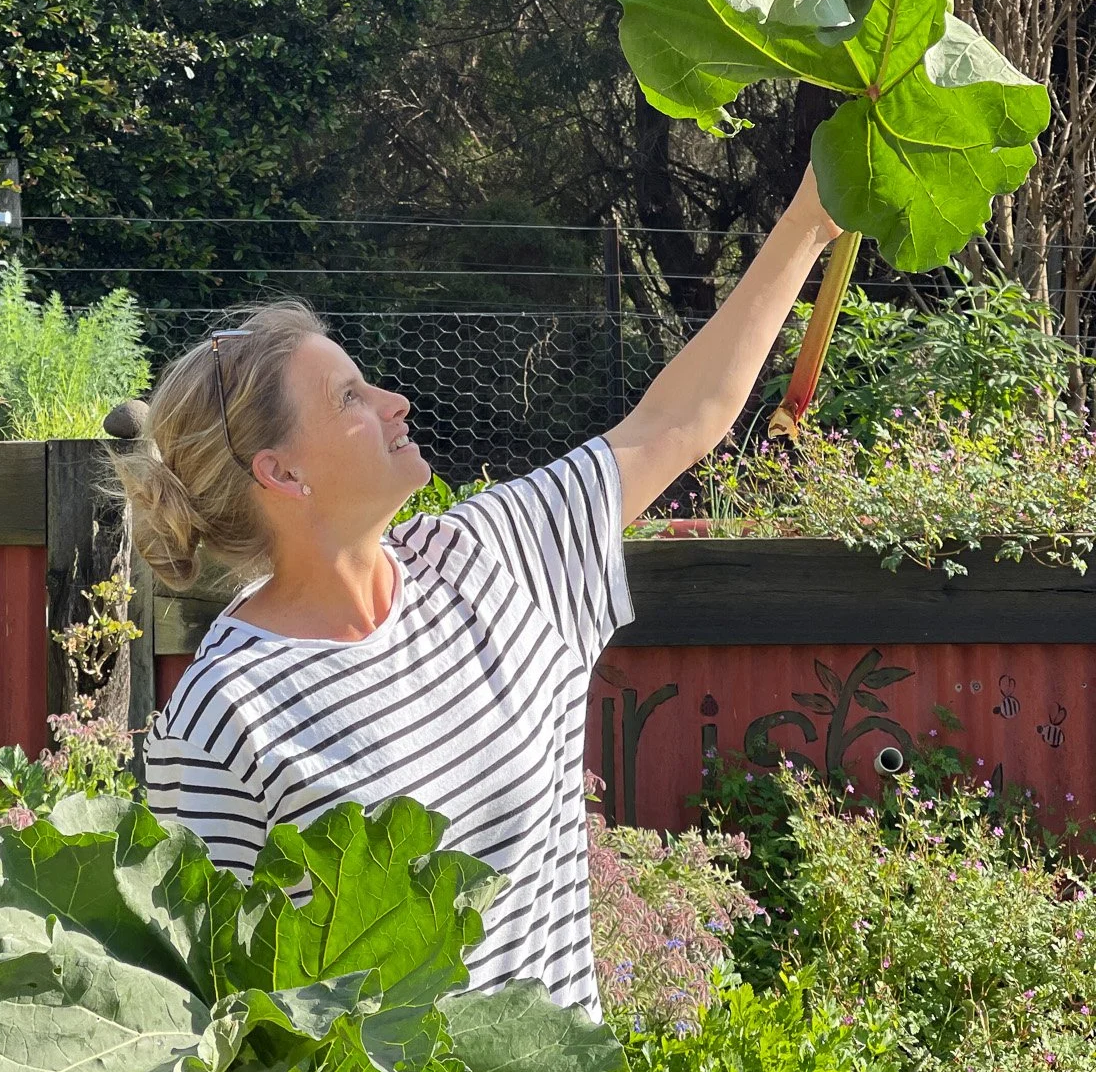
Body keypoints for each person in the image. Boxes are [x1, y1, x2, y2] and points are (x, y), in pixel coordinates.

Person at [114, 167, 840, 1019]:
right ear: (281, 472)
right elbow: (207, 1011)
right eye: (349, 395)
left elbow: (676, 423)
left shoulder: (491, 560)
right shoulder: (223, 716)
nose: (395, 402)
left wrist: (807, 222)